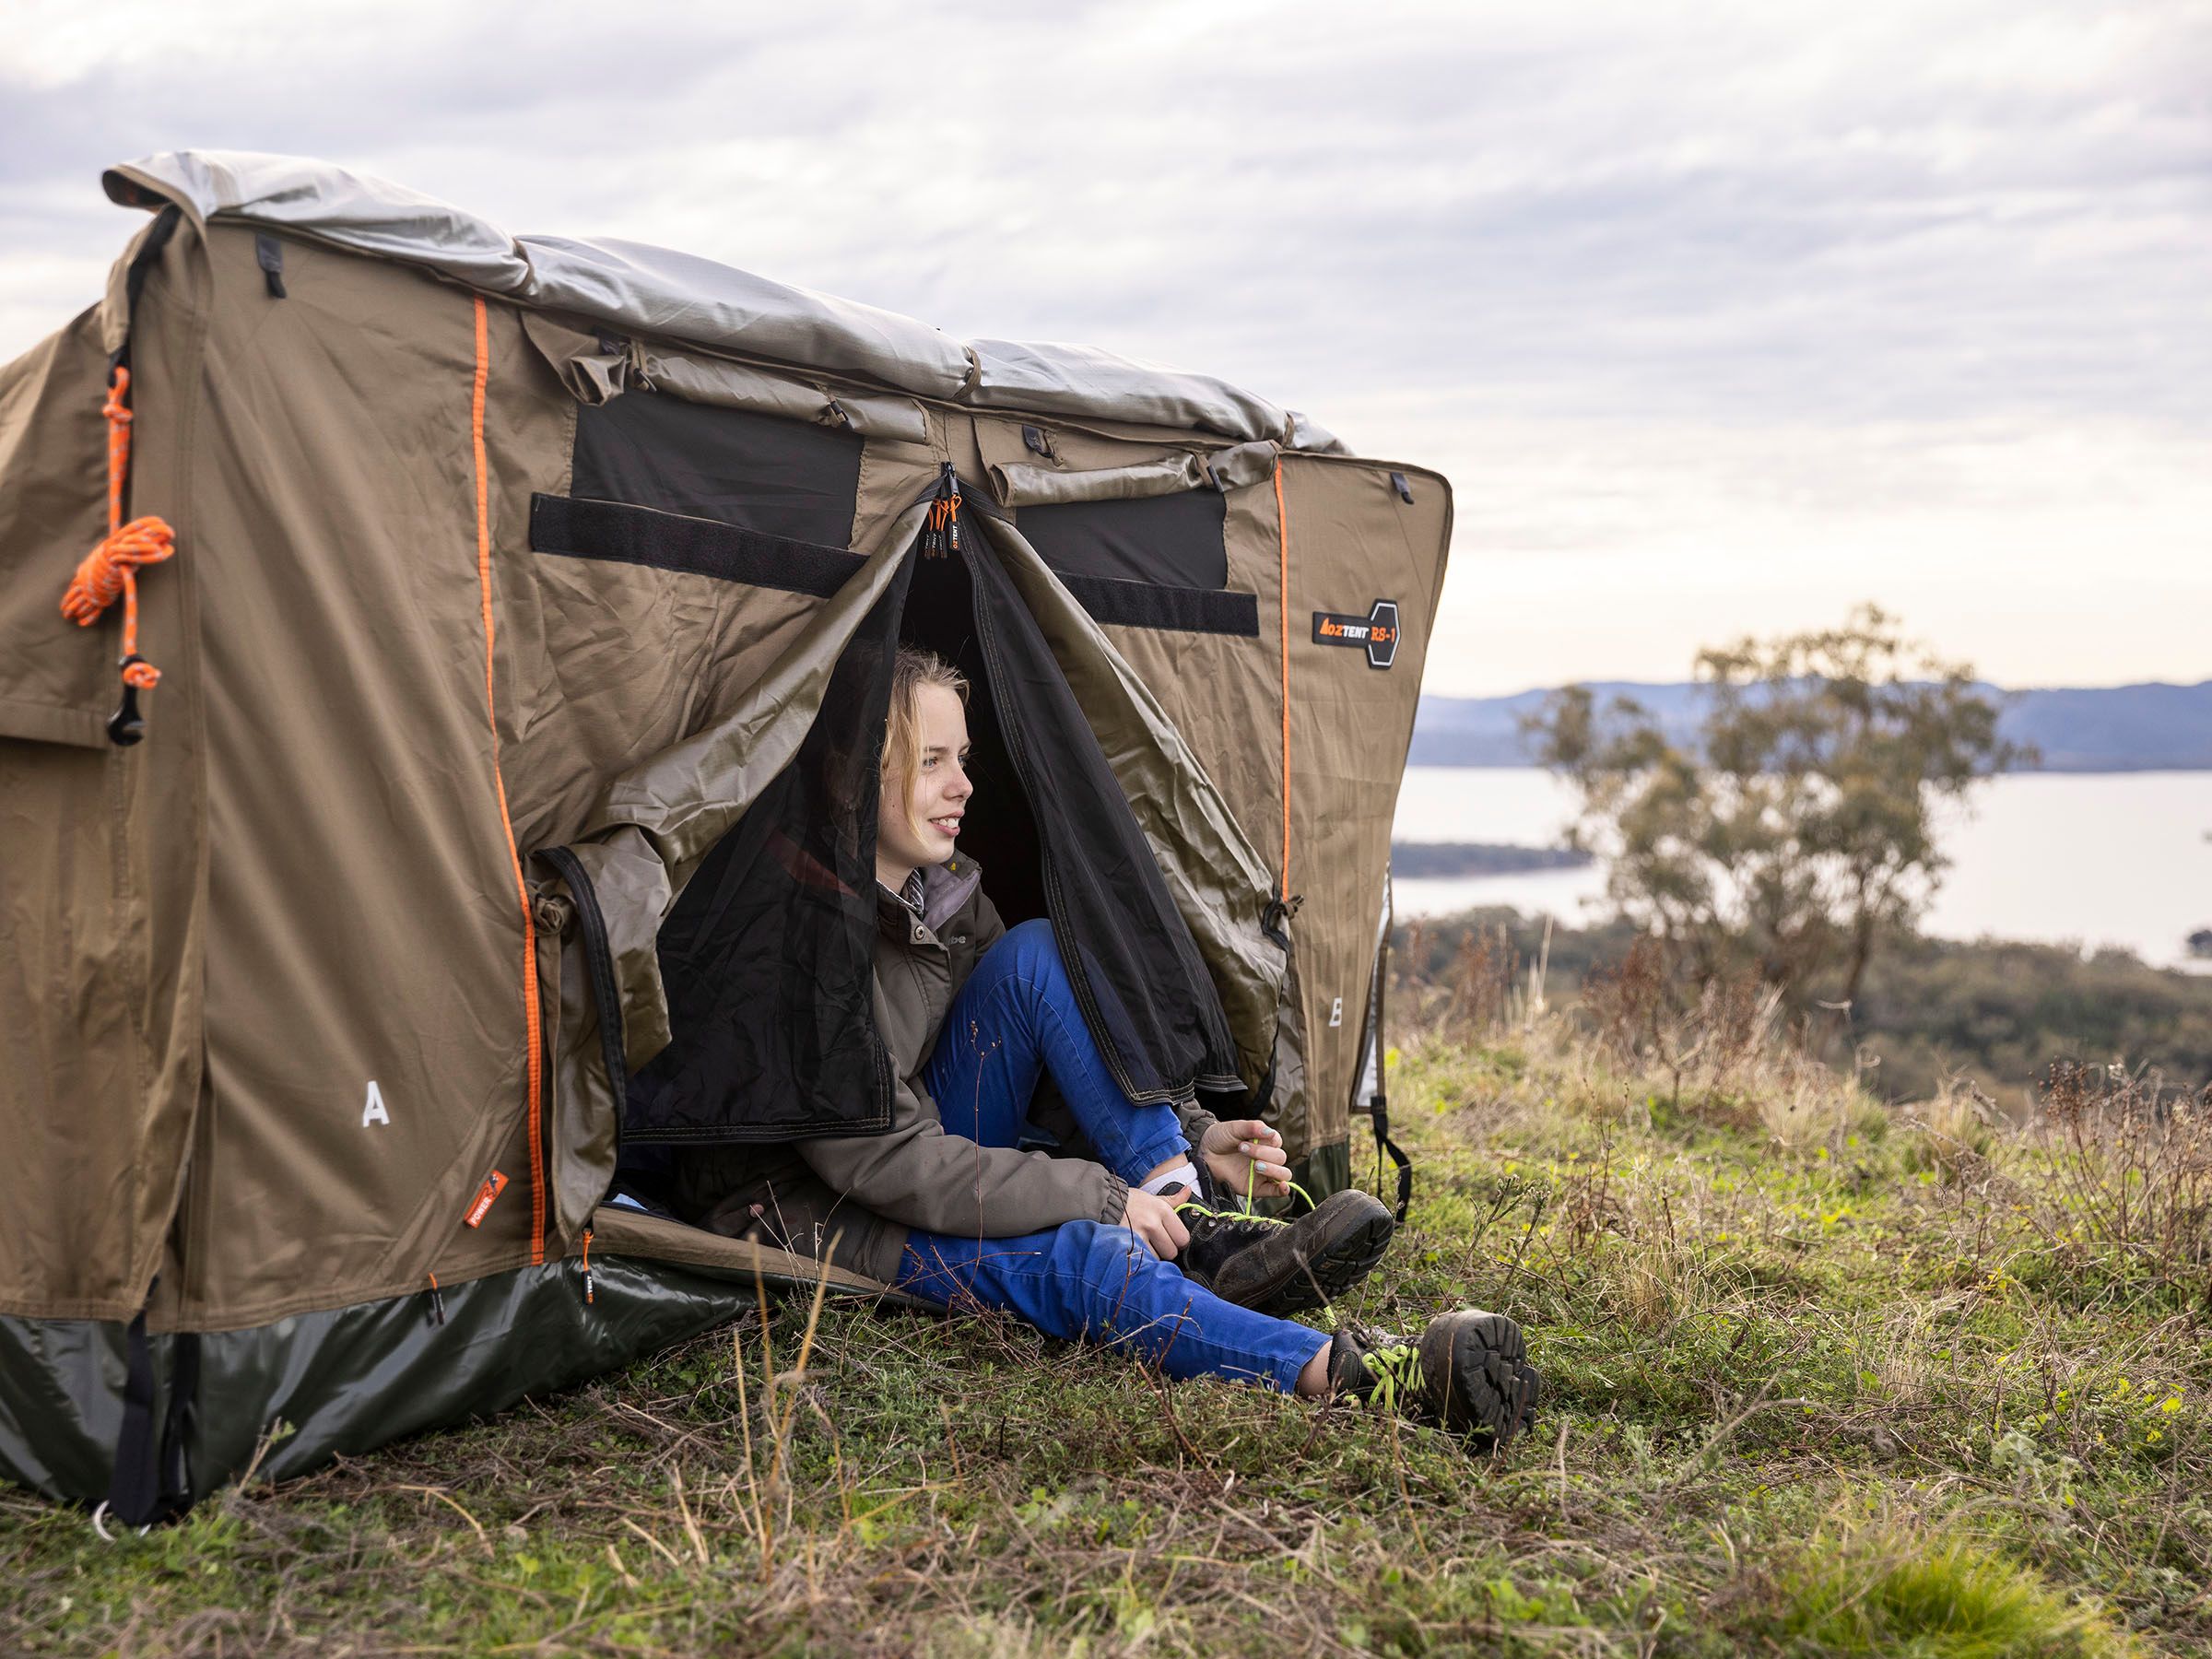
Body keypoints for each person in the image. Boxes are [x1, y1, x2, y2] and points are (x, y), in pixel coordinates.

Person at [677, 646, 1540, 1440]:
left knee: (1037, 957)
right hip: (815, 1209)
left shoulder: (941, 895)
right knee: (1083, 1253)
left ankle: (1191, 1219)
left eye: (963, 759)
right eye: (931, 761)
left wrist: (1192, 1131)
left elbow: (1059, 1036)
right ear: (854, 776)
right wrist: (1095, 1193)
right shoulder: (802, 942)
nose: (963, 786)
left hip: (931, 1137)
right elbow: (887, 1163)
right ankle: (1356, 1375)